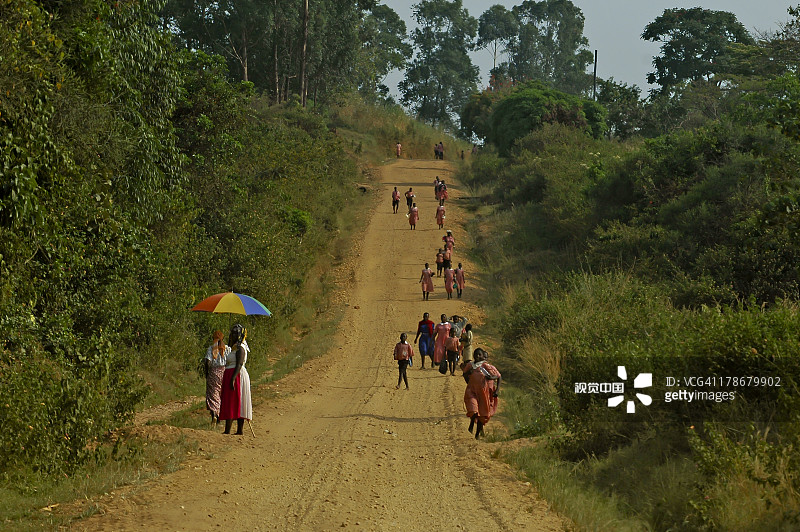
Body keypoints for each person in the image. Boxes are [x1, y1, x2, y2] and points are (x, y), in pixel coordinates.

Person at [219, 324, 252, 435]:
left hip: (237, 375)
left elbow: (239, 363)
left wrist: (233, 378)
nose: (232, 335)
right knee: (230, 401)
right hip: (230, 373)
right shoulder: (233, 348)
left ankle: (238, 430)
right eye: (232, 333)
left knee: (237, 401)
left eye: (235, 333)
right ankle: (228, 429)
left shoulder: (241, 348)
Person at [463, 348, 501, 439]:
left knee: (482, 413)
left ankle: (477, 433)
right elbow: (464, 374)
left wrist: (492, 380)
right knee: (473, 409)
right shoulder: (470, 365)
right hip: (472, 391)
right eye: (476, 354)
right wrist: (468, 379)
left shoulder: (485, 366)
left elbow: (497, 376)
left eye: (479, 355)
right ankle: (472, 423)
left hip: (484, 392)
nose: (477, 356)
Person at [204, 330, 230, 426]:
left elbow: (207, 362)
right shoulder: (227, 349)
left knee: (213, 395)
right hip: (224, 372)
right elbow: (230, 360)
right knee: (221, 394)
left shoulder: (211, 349)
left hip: (214, 373)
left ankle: (215, 415)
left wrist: (207, 373)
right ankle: (220, 416)